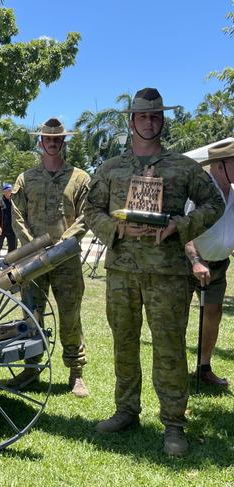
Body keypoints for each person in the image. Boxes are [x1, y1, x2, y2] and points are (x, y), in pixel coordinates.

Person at [85, 88, 224, 456]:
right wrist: (117, 230)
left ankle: (174, 425)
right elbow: (91, 210)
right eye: (143, 116)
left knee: (169, 349)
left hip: (167, 275)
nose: (150, 121)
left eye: (156, 116)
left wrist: (181, 225)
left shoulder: (182, 167)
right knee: (124, 344)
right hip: (122, 274)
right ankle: (126, 410)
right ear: (131, 122)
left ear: (162, 121)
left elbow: (215, 203)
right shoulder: (111, 168)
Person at [11, 118, 91, 397]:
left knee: (70, 316)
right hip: (33, 259)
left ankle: (76, 373)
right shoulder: (26, 179)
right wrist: (32, 245)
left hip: (66, 259)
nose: (53, 143)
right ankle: (32, 368)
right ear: (40, 142)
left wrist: (65, 242)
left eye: (57, 139)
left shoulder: (80, 178)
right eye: (48, 139)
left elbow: (86, 215)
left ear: (63, 142)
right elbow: (17, 215)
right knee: (32, 314)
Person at [184, 140, 234, 387]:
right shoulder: (201, 193)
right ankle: (175, 371)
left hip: (218, 265)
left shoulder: (233, 194)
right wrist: (195, 260)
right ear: (220, 165)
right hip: (188, 264)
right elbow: (185, 231)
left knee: (212, 314)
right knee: (177, 317)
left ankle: (204, 367)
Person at [0, 182, 17, 267]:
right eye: (9, 190)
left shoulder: (14, 202)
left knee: (13, 247)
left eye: (11, 190)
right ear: (4, 191)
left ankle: (9, 263)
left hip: (12, 228)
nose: (11, 192)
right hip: (1, 228)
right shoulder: (0, 202)